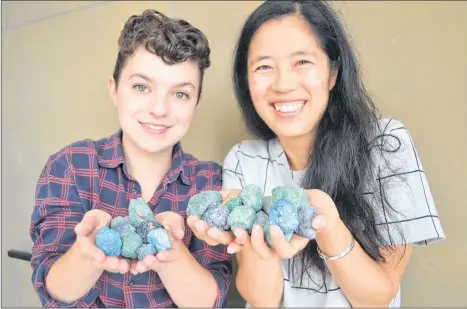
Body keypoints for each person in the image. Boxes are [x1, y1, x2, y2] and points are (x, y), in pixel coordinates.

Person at [187, 1, 445, 307]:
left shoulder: (385, 145)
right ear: (246, 80)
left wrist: (326, 224)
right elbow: (263, 300)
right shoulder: (244, 160)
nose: (283, 84)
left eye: (302, 62)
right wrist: (254, 241)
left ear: (333, 71)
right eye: (264, 67)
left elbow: (377, 296)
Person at [30, 9, 232, 308]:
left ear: (197, 103)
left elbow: (209, 299)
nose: (159, 109)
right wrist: (88, 253)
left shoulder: (211, 182)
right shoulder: (71, 165)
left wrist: (171, 252)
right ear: (114, 89)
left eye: (180, 94)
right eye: (141, 87)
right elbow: (53, 287)